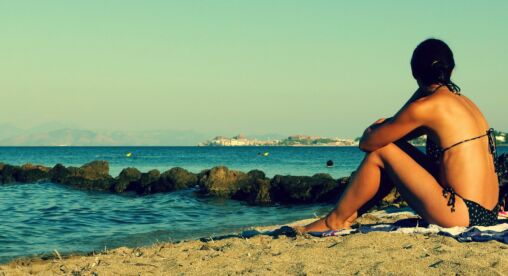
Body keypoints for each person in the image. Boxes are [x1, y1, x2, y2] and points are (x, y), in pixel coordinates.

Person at [299, 39, 500, 232]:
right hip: (488, 213)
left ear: (414, 73)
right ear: (451, 70)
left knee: (383, 150)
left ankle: (335, 221)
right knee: (395, 150)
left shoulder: (425, 108)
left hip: (461, 214)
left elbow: (369, 143)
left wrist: (381, 125)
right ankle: (346, 217)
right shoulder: (467, 104)